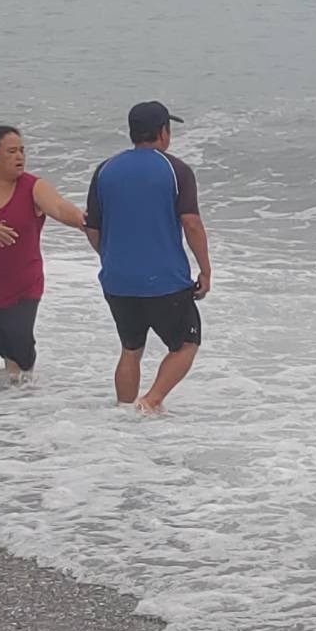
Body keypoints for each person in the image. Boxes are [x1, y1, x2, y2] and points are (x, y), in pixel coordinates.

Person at [85, 103, 212, 413]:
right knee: (186, 343)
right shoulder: (176, 169)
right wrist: (205, 270)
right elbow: (191, 223)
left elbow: (91, 227)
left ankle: (124, 412)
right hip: (164, 281)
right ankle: (150, 401)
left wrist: (111, 258)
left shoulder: (105, 170)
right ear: (162, 132)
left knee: (131, 348)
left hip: (118, 281)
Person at [0, 125, 90, 382]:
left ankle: (20, 411)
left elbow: (58, 207)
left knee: (18, 355)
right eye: (12, 151)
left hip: (22, 286)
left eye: (22, 151)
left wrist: (83, 221)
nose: (20, 157)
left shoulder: (33, 187)